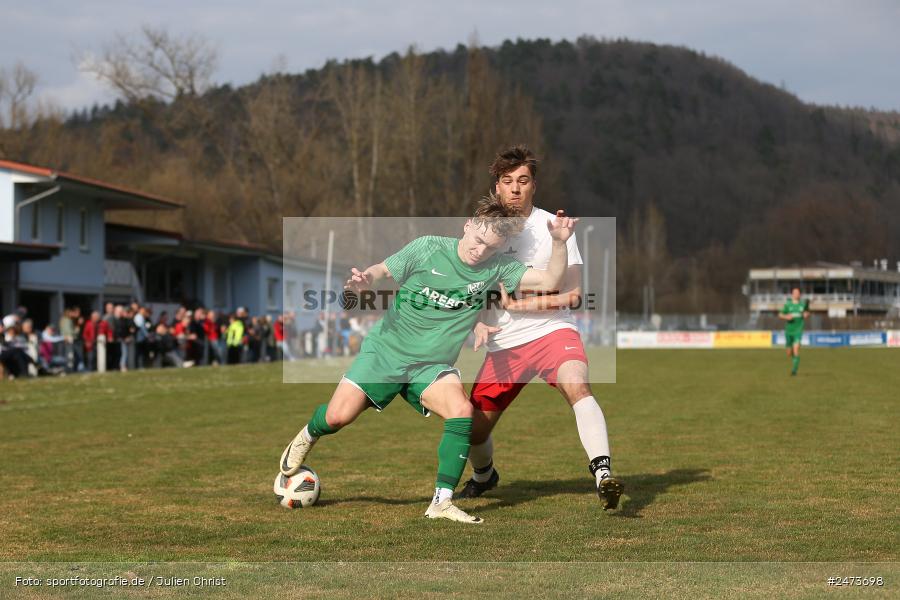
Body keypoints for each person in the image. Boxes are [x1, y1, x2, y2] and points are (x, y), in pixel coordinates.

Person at [279, 196, 577, 524]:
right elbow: (380, 270)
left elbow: (550, 282)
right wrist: (367, 280)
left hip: (430, 366)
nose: (480, 251)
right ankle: (309, 433)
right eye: (478, 240)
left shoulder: (498, 268)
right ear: (467, 225)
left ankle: (441, 501)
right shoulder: (427, 247)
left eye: (490, 247)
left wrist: (559, 242)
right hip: (386, 353)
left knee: (462, 410)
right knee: (337, 417)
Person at [460, 145, 624, 510]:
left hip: (552, 331)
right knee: (472, 431)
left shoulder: (555, 227)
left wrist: (520, 304)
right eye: (507, 181)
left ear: (534, 186)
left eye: (523, 180)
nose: (515, 188)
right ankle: (485, 476)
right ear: (497, 187)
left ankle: (603, 475)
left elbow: (574, 294)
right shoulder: (485, 230)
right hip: (505, 343)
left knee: (577, 386)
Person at [779, 287, 809, 376]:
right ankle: (792, 352)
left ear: (799, 294)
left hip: (798, 331)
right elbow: (780, 315)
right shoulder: (788, 305)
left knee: (796, 349)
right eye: (794, 293)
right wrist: (786, 317)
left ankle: (794, 371)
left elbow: (806, 313)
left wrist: (806, 315)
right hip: (789, 331)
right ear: (792, 294)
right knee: (789, 353)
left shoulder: (803, 304)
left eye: (797, 293)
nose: (796, 294)